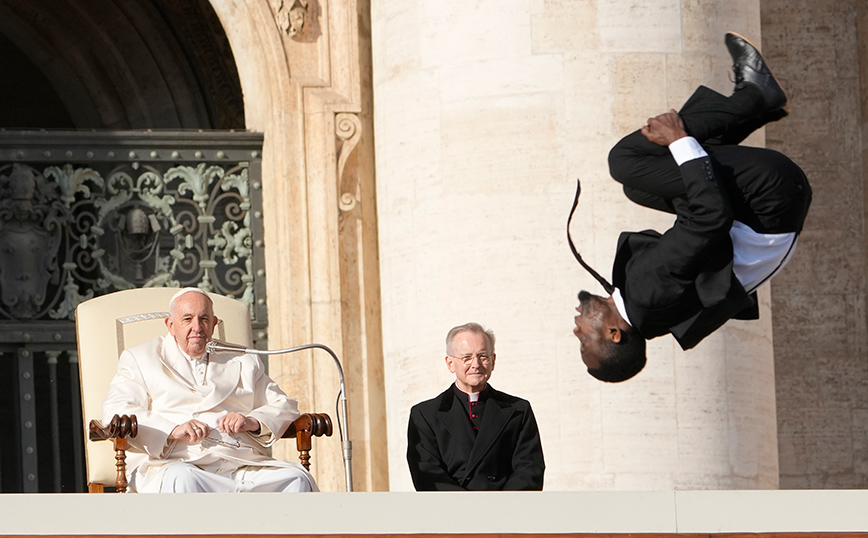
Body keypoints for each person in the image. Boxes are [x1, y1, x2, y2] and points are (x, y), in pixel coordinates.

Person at [572, 32, 812, 383]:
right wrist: (679, 141)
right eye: (583, 342)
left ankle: (756, 106)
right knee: (626, 161)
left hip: (777, 211)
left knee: (638, 188)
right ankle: (754, 98)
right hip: (770, 194)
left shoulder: (651, 312)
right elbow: (709, 218)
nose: (575, 330)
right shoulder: (647, 290)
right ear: (613, 333)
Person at [102, 287, 318, 492]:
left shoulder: (243, 360)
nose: (197, 327)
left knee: (296, 479)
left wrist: (252, 421)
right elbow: (115, 411)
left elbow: (285, 406)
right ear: (170, 325)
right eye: (187, 319)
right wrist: (172, 429)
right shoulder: (141, 358)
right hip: (177, 462)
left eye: (204, 319)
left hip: (239, 463)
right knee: (182, 479)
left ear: (213, 324)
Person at [406, 323, 545, 490]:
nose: (476, 364)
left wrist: (501, 508)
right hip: (453, 511)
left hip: (505, 510)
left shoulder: (518, 410)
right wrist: (470, 509)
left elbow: (529, 470)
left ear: (493, 361)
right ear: (450, 363)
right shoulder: (425, 415)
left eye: (483, 356)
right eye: (467, 358)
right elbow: (427, 475)